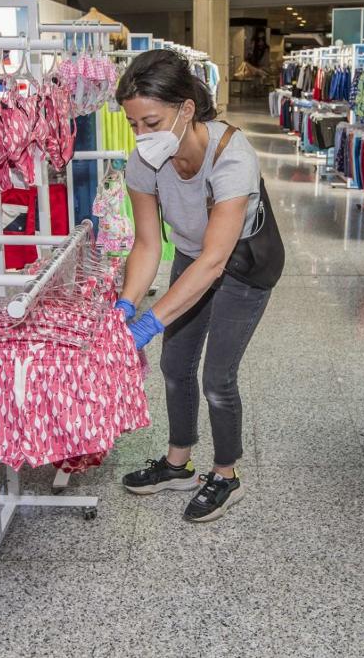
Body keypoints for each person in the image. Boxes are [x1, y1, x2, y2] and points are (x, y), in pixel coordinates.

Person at [114, 49, 275, 523]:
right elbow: (147, 244)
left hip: (242, 263)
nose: (143, 136)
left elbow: (214, 262)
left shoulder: (233, 159)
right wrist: (128, 303)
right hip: (190, 253)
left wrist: (148, 323)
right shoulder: (144, 161)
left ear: (186, 109)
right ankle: (178, 463)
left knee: (217, 378)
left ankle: (225, 475)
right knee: (175, 364)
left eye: (151, 122)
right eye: (133, 125)